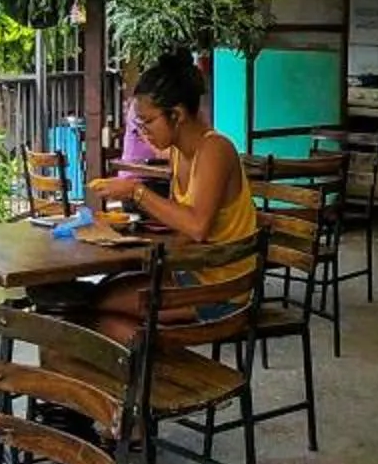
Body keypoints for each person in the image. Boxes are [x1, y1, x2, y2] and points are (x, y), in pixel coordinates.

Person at [83, 53, 258, 341]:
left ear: (176, 115)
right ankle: (150, 370)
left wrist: (135, 192)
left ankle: (157, 372)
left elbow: (197, 226)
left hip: (223, 289)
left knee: (97, 303)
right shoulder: (178, 151)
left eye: (148, 122)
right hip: (193, 273)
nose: (142, 132)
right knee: (97, 300)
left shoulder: (215, 150)